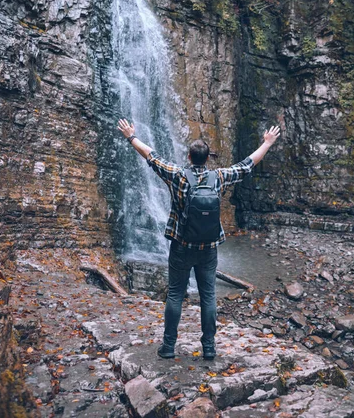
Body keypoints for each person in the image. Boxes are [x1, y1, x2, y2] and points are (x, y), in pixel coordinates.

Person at [117, 118, 280, 360]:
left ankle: (169, 347)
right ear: (207, 159)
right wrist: (267, 143)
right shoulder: (220, 177)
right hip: (208, 249)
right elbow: (248, 164)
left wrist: (131, 136)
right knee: (208, 295)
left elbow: (151, 156)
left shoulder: (177, 175)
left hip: (181, 245)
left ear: (190, 158)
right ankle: (209, 347)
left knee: (175, 294)